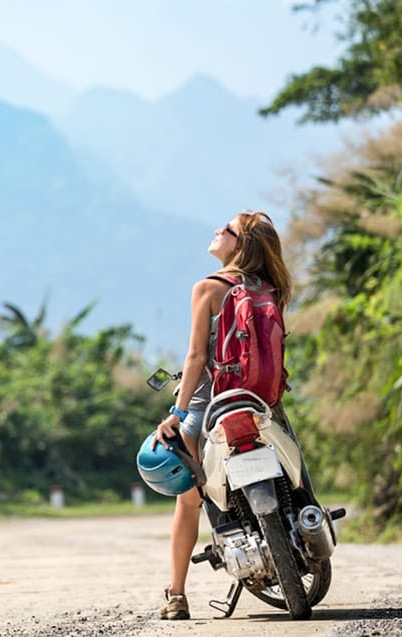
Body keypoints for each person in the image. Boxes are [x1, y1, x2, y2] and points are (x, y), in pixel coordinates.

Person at [150, 210, 292, 620]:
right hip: (261, 404)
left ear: (240, 244)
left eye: (226, 229)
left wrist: (177, 413)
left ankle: (176, 594)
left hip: (210, 407)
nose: (217, 231)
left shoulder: (208, 288)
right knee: (294, 470)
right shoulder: (270, 289)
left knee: (188, 502)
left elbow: (196, 356)